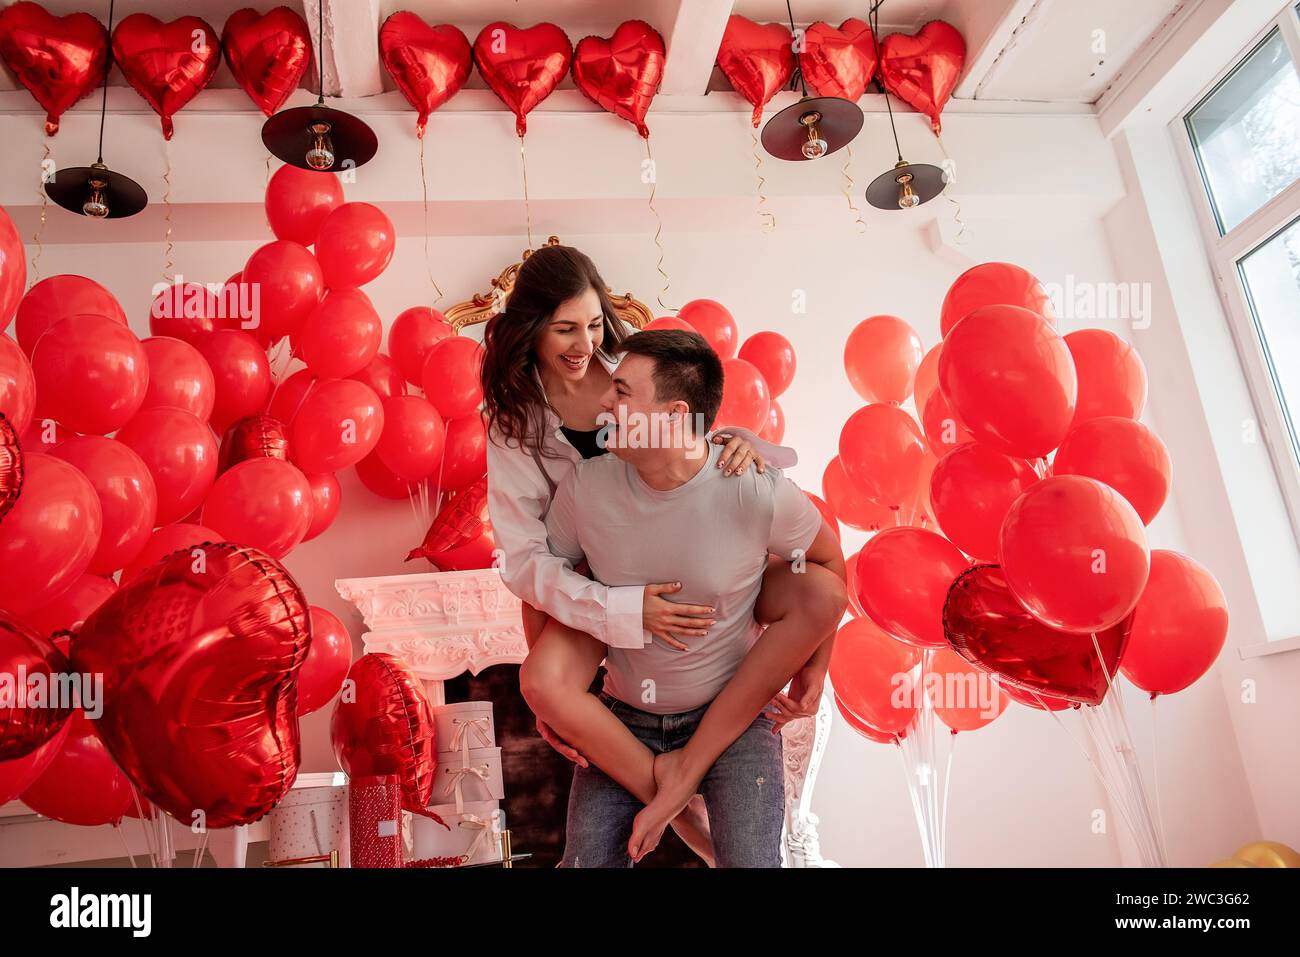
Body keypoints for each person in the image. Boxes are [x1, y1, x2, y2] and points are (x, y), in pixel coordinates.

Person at [481, 244, 844, 863]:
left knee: (815, 588)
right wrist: (600, 638)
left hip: (686, 550)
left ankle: (679, 783)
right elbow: (528, 563)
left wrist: (744, 447)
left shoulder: (634, 373)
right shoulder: (513, 423)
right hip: (593, 579)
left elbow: (687, 422)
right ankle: (668, 794)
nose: (584, 344)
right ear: (530, 328)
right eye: (565, 328)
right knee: (542, 679)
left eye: (594, 325)